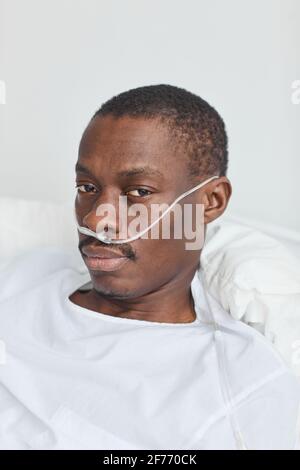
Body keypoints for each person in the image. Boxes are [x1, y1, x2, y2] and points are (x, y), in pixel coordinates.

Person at [0, 84, 299, 450]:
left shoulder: (240, 386)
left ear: (210, 201)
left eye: (138, 192)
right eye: (87, 186)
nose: (97, 220)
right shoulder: (28, 274)